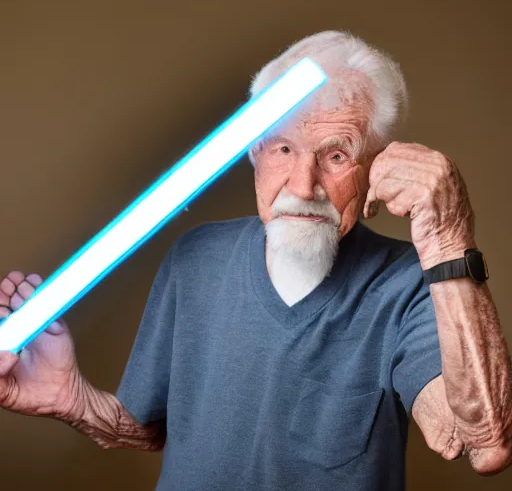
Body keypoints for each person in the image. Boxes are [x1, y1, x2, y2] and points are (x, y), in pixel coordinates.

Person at [0, 31, 511, 491]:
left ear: (375, 169)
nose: (303, 185)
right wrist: (69, 398)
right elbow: (149, 430)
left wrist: (448, 240)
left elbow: (486, 445)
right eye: (283, 147)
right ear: (252, 154)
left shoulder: (412, 285)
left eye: (336, 155)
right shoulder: (194, 259)